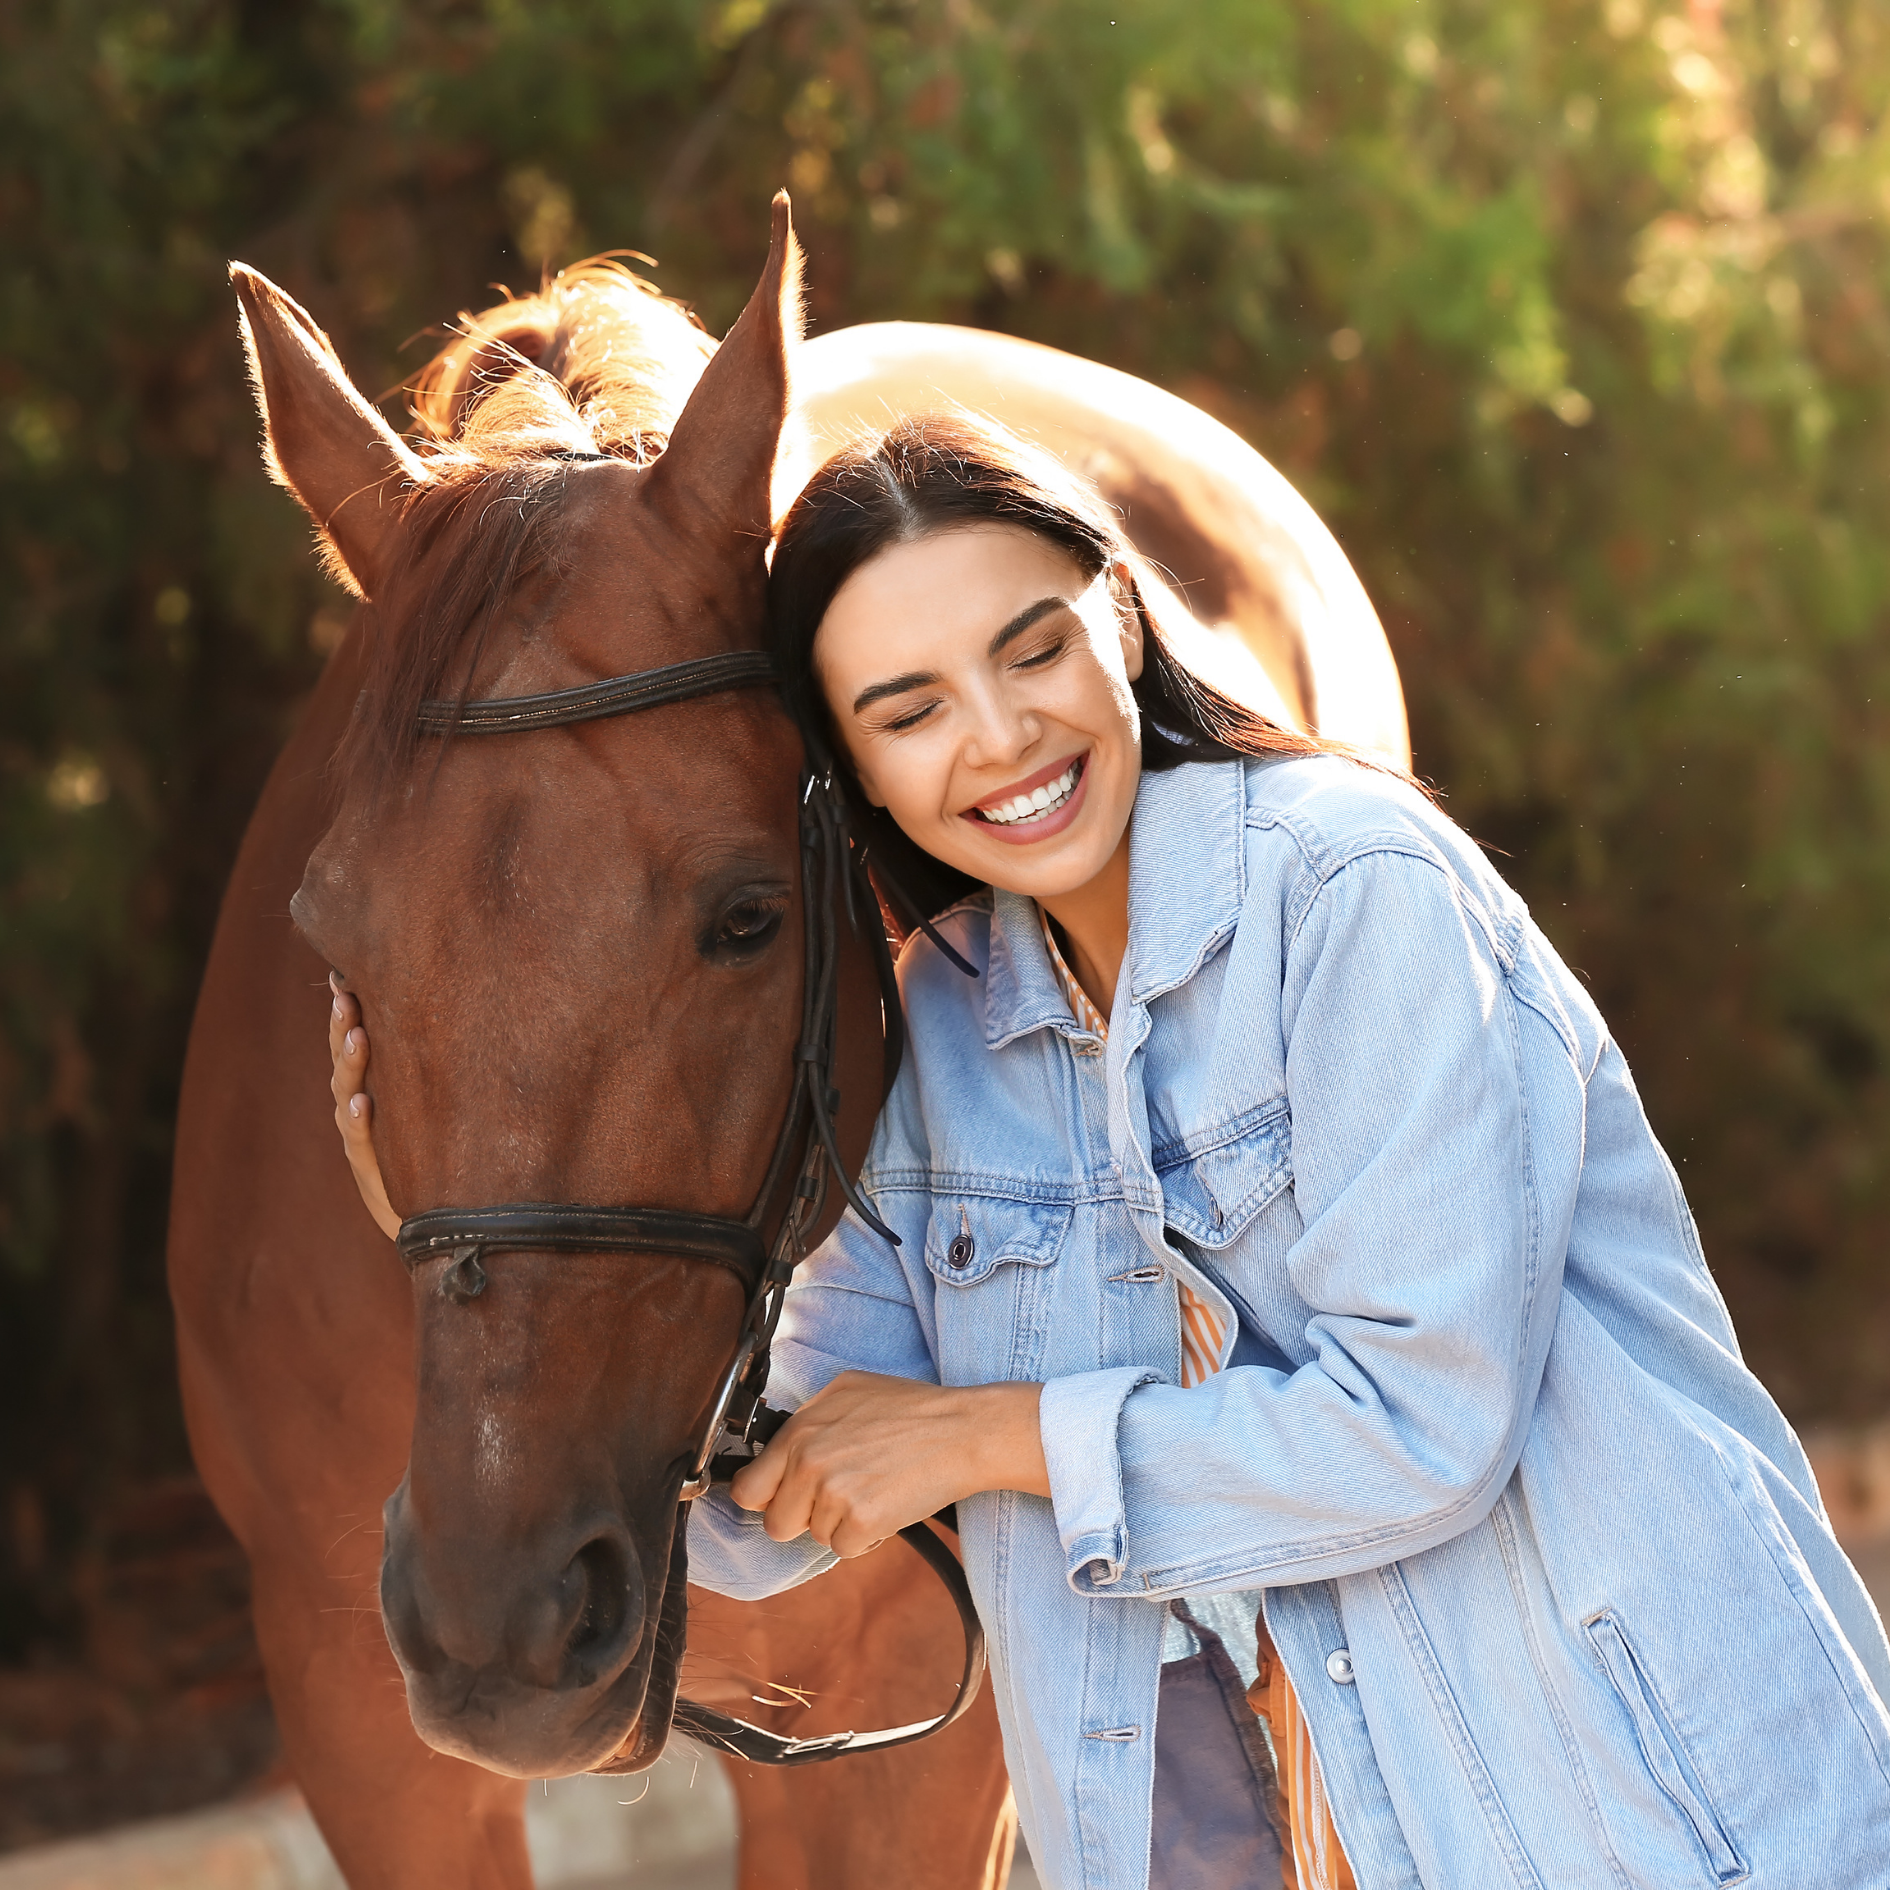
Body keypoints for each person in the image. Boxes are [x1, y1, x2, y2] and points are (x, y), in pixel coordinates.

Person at [330, 416, 1890, 1890]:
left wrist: (979, 1436)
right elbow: (763, 1510)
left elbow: (1425, 1427)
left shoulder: (1356, 892)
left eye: (1031, 650)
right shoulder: (934, 1030)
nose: (1001, 737)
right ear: (850, 770)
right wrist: (461, 1222)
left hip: (1617, 1818)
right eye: (909, 708)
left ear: (1121, 621)